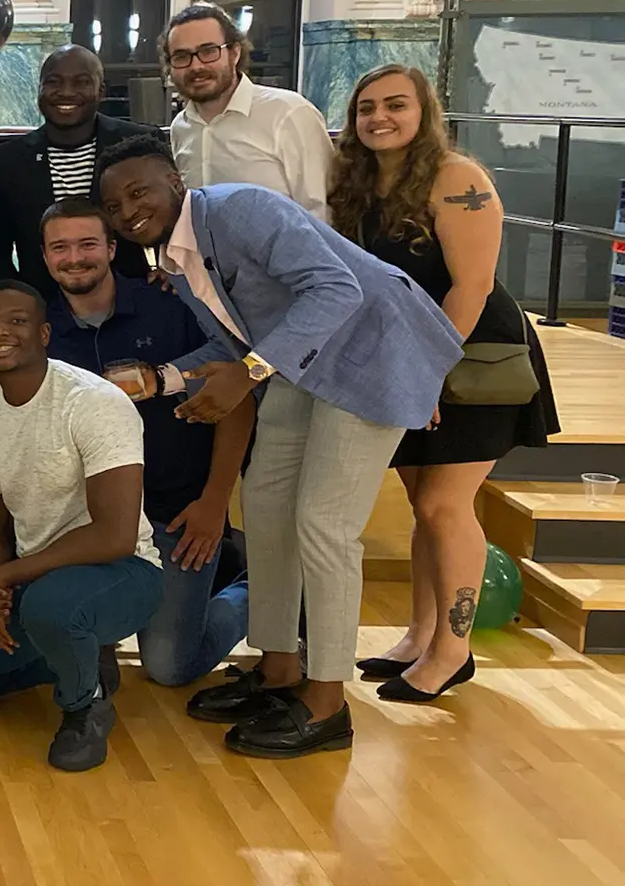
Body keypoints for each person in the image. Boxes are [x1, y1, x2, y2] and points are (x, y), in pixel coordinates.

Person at [97, 135, 462, 759]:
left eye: (138, 192)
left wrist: (252, 371)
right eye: (113, 205)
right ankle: (278, 667)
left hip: (372, 353)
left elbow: (336, 289)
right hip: (304, 364)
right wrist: (161, 379)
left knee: (323, 523)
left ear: (174, 181)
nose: (127, 210)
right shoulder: (178, 258)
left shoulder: (241, 208)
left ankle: (327, 702)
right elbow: (234, 342)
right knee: (265, 503)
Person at [330, 65, 558, 702]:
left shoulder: (457, 178)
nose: (379, 117)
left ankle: (454, 650)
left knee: (443, 505)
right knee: (421, 503)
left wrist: (426, 371)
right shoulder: (359, 182)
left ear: (424, 111)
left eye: (395, 105)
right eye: (367, 107)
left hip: (473, 355)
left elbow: (472, 287)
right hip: (405, 354)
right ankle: (421, 635)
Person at [0, 282, 163, 774]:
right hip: (35, 580)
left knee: (51, 605)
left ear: (44, 334)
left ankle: (84, 705)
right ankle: (76, 658)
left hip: (123, 572)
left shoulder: (93, 402)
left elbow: (115, 535)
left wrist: (11, 574)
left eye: (17, 321)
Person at [38, 198, 252, 688]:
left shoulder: (170, 306)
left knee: (169, 666)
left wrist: (214, 503)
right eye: (60, 248)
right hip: (90, 523)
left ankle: (260, 591)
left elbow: (238, 401)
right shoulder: (40, 329)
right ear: (45, 256)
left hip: (178, 514)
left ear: (113, 248)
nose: (75, 258)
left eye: (88, 244)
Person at [0, 45, 155, 300]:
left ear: (101, 91)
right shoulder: (5, 161)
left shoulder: (140, 144)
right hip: (44, 306)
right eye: (53, 82)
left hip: (135, 300)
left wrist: (170, 270)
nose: (66, 92)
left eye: (81, 82)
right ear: (39, 89)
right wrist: (20, 299)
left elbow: (169, 218)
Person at [161, 3, 334, 219]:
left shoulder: (289, 113)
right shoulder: (181, 127)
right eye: (181, 56)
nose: (196, 66)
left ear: (234, 53)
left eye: (209, 51)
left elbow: (323, 209)